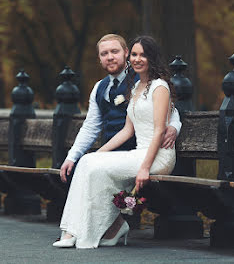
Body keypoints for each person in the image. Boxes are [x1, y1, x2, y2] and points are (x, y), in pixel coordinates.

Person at [53, 35, 178, 249]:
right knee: (86, 162)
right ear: (99, 59)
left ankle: (92, 231)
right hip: (131, 152)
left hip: (151, 154)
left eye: (115, 52)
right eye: (104, 54)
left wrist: (174, 127)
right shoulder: (131, 87)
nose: (110, 57)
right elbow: (109, 128)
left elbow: (167, 117)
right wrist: (90, 154)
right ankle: (71, 230)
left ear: (125, 53)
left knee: (93, 168)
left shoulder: (152, 84)